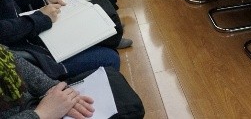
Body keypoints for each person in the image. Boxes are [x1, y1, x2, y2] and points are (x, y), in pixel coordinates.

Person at [0, 45, 145, 119]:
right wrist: (41, 114)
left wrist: (54, 90)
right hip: (35, 112)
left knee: (123, 101)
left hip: (33, 104)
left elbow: (13, 59)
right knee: (109, 58)